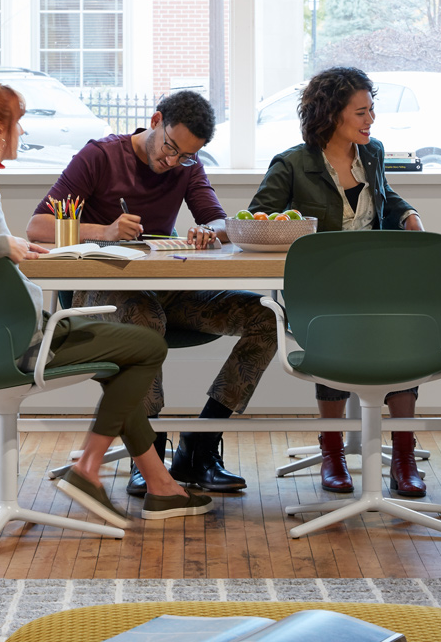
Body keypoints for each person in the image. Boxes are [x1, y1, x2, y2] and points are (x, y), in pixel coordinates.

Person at [0, 69, 211, 526]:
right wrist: (2, 245)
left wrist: (6, 244)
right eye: (19, 121)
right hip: (17, 342)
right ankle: (90, 470)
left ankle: (157, 484)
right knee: (146, 347)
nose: (23, 130)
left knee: (124, 357)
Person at [26, 90, 277, 497]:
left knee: (265, 317)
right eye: (171, 148)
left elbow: (220, 221)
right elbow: (37, 227)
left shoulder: (186, 167)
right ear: (156, 120)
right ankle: (148, 454)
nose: (173, 162)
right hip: (99, 295)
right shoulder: (100, 157)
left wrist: (208, 231)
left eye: (187, 157)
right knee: (146, 319)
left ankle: (201, 444)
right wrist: (103, 232)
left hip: (166, 290)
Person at [248, 65, 429, 498]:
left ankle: (404, 457)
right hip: (321, 285)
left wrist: (407, 214)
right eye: (361, 112)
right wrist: (291, 232)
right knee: (332, 328)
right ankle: (332, 453)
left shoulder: (373, 153)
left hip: (374, 275)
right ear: (332, 114)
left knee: (402, 328)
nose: (370, 121)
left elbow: (385, 196)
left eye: (371, 111)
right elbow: (257, 218)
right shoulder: (293, 163)